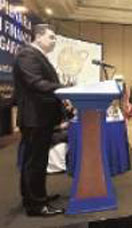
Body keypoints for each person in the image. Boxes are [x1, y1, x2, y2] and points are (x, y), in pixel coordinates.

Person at [13, 24, 65, 216]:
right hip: (35, 118)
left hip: (41, 118)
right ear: (38, 36)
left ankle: (35, 196)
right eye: (51, 37)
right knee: (35, 162)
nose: (54, 41)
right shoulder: (27, 55)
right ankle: (36, 205)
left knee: (37, 161)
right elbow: (36, 83)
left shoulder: (38, 56)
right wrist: (63, 88)